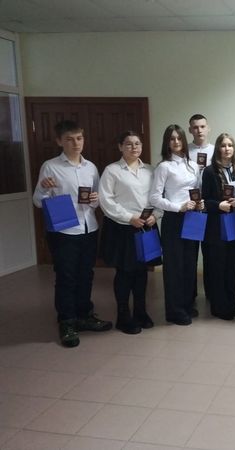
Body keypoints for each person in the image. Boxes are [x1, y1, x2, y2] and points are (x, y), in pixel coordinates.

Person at [33, 120, 112, 347]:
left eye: (79, 138)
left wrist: (96, 199)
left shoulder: (91, 167)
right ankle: (67, 321)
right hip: (64, 231)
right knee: (66, 277)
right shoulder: (50, 166)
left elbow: (96, 201)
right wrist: (44, 188)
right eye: (69, 139)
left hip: (89, 228)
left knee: (86, 274)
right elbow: (38, 201)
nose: (76, 143)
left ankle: (84, 315)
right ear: (59, 141)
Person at [99, 130, 161, 334]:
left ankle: (141, 312)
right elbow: (106, 200)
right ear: (120, 147)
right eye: (128, 144)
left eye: (137, 143)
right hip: (122, 227)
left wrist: (156, 215)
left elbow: (158, 195)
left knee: (142, 271)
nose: (134, 147)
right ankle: (123, 316)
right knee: (125, 272)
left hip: (146, 225)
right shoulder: (112, 170)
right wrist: (129, 217)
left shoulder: (150, 170)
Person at [149, 124, 203, 325]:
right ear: (167, 142)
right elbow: (155, 198)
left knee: (190, 263)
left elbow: (196, 190)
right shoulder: (164, 167)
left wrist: (199, 202)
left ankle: (187, 304)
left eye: (179, 138)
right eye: (172, 139)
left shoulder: (193, 165)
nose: (176, 142)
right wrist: (177, 207)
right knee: (174, 266)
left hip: (193, 217)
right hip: (174, 219)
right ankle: (174, 310)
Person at [201, 133, 235, 320]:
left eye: (230, 145)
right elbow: (204, 200)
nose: (227, 149)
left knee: (233, 267)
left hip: (234, 223)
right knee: (218, 267)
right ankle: (218, 307)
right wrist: (219, 205)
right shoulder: (209, 171)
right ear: (218, 148)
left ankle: (230, 304)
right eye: (223, 145)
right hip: (216, 226)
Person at [187, 114, 214, 307]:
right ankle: (190, 295)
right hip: (191, 210)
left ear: (208, 128)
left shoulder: (215, 151)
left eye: (202, 126)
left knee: (210, 254)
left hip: (211, 209)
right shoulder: (184, 151)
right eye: (195, 127)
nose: (199, 130)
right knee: (190, 254)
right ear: (190, 130)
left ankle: (211, 293)